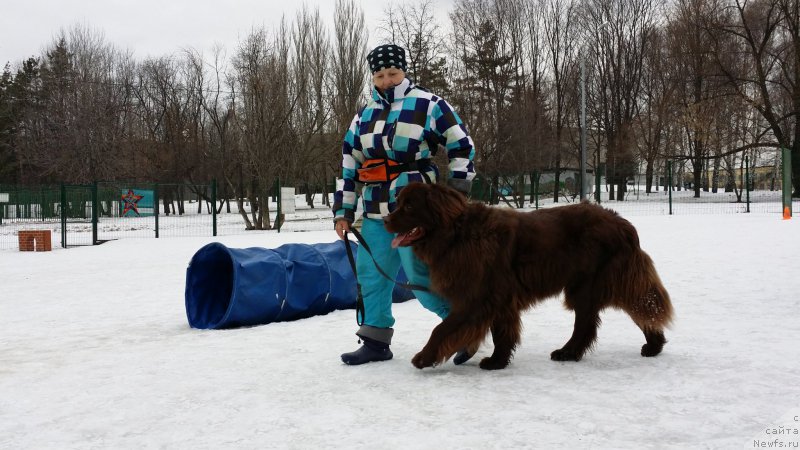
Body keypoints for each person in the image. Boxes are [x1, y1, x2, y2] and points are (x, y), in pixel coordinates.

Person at [332, 44, 476, 365]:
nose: (386, 80)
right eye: (380, 75)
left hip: (416, 212)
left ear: (403, 71)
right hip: (374, 210)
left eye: (392, 73)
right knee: (372, 275)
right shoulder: (363, 116)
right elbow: (349, 165)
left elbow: (461, 145)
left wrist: (456, 194)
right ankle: (375, 341)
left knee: (421, 278)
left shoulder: (428, 105)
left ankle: (465, 328)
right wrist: (343, 211)